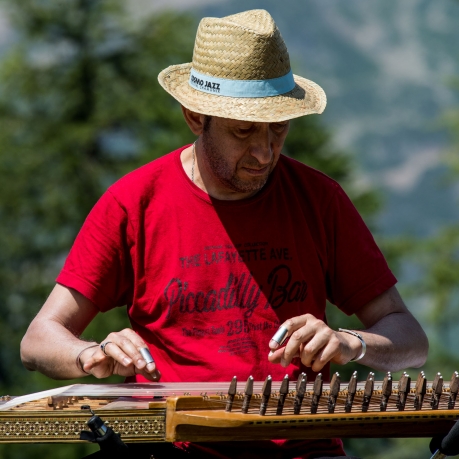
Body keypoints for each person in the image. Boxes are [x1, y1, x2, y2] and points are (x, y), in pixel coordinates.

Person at [20, 9, 428, 459]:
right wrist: (91, 355)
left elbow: (410, 339)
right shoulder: (134, 202)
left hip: (302, 449)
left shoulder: (320, 200)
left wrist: (352, 343)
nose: (265, 152)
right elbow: (39, 338)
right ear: (195, 117)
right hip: (170, 447)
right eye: (243, 131)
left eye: (279, 128)